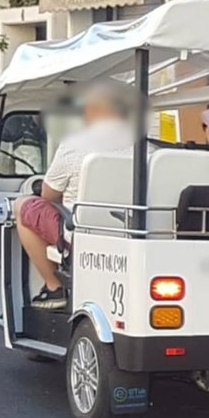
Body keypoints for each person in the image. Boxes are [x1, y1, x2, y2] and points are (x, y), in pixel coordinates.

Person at [13, 82, 137, 310]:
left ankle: (54, 287)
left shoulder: (74, 146)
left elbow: (48, 195)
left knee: (23, 206)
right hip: (130, 230)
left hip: (80, 232)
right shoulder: (143, 148)